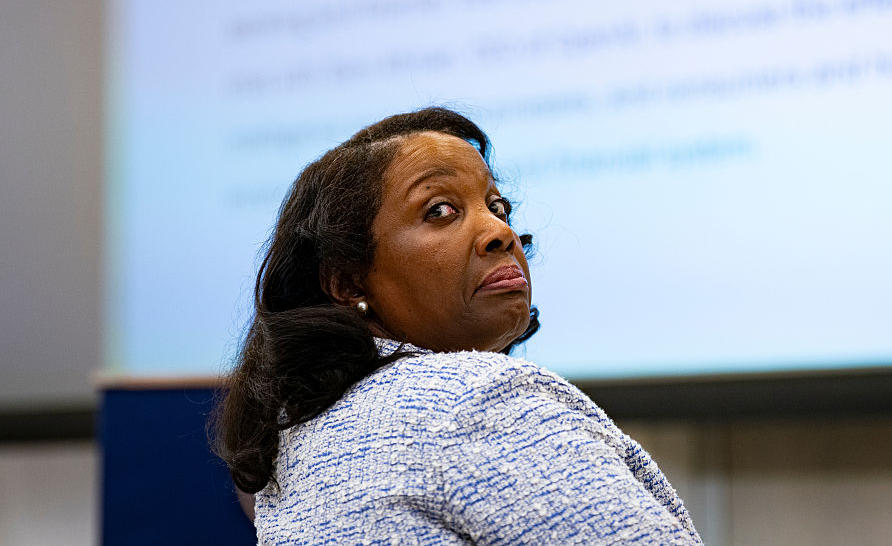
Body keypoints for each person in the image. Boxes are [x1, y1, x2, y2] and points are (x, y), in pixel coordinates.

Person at [214, 107, 703, 544]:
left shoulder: (300, 439)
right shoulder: (471, 400)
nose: (500, 232)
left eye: (497, 206)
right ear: (347, 282)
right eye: (440, 211)